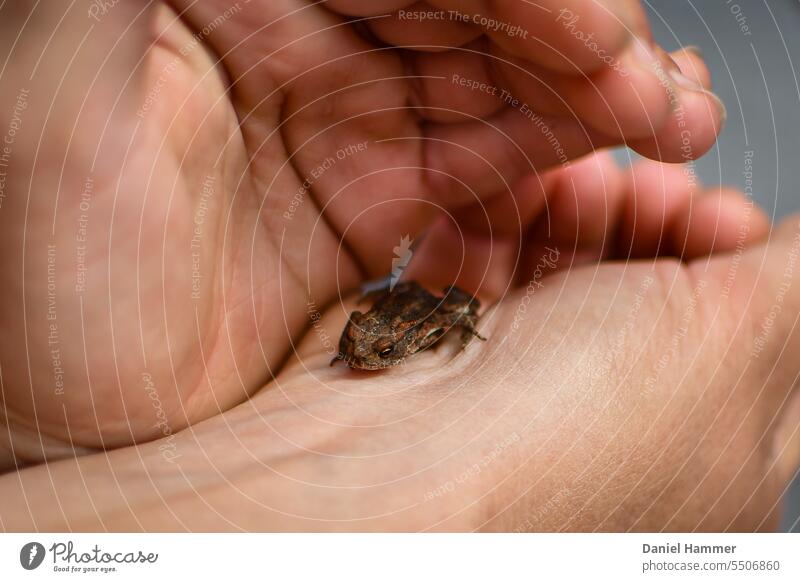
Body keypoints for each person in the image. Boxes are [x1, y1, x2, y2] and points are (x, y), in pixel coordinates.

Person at [0, 0, 796, 531]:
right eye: (364, 348)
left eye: (371, 350)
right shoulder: (371, 331)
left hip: (419, 295)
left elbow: (447, 307)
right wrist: (467, 507)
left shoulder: (410, 326)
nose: (359, 354)